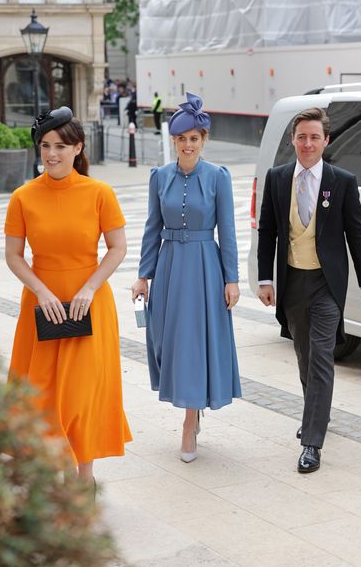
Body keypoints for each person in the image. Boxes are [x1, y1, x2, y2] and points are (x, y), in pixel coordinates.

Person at [4, 106, 132, 488]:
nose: (51, 154)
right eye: (45, 145)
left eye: (60, 145)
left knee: (80, 397)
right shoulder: (23, 197)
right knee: (44, 396)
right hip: (41, 306)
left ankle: (83, 481)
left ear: (78, 148)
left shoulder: (99, 192)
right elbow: (13, 255)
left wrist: (90, 288)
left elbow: (118, 247)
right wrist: (40, 291)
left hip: (88, 304)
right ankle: (58, 479)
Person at [257, 107, 361, 473]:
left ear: (326, 141)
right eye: (301, 137)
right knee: (305, 358)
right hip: (294, 282)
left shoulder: (341, 181)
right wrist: (265, 279)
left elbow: (355, 234)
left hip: (327, 284)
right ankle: (317, 414)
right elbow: (267, 232)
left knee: (323, 358)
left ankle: (312, 442)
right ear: (293, 140)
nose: (308, 143)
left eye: (314, 137)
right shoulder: (277, 179)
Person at [131, 92, 241, 463]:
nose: (188, 144)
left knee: (196, 341)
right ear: (174, 142)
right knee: (168, 339)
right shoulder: (159, 177)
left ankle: (189, 419)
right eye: (182, 139)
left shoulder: (217, 177)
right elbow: (151, 227)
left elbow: (227, 231)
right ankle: (190, 408)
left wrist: (231, 278)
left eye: (194, 138)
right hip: (170, 265)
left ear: (203, 140)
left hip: (205, 267)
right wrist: (143, 275)